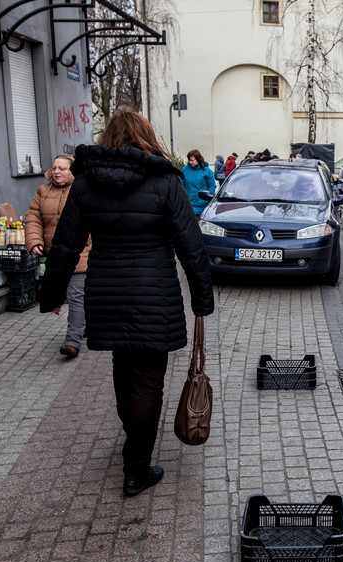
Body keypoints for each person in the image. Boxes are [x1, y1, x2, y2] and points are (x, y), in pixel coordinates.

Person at [38, 109, 214, 498]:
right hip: (154, 295)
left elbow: (66, 244)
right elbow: (192, 246)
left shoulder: (84, 184)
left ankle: (132, 431)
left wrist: (51, 294)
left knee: (123, 365)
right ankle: (136, 469)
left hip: (106, 292)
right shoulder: (165, 181)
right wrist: (202, 300)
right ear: (147, 136)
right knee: (148, 381)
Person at [24, 154, 90, 358]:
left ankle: (72, 341)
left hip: (81, 251)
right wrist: (34, 240)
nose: (57, 172)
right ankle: (86, 325)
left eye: (62, 168)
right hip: (57, 254)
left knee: (76, 295)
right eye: (54, 167)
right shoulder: (43, 191)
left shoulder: (82, 189)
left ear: (72, 171)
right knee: (61, 292)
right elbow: (33, 217)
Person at [181, 149, 215, 216]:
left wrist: (204, 200)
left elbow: (212, 187)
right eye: (189, 160)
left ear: (198, 160)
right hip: (188, 205)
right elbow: (180, 185)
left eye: (192, 160)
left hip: (202, 206)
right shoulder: (185, 170)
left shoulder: (207, 171)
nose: (190, 162)